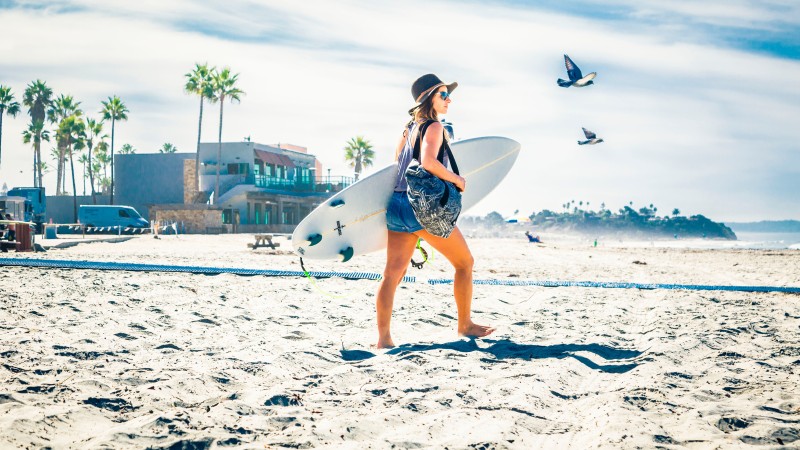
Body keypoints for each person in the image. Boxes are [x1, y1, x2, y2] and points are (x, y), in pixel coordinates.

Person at [375, 73, 495, 348]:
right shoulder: (434, 127)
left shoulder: (408, 128)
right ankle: (465, 325)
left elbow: (397, 163)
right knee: (465, 264)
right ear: (429, 97)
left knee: (392, 274)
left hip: (396, 204)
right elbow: (428, 162)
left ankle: (383, 339)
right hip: (423, 209)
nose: (448, 99)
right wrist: (456, 179)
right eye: (443, 94)